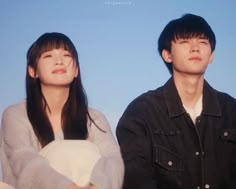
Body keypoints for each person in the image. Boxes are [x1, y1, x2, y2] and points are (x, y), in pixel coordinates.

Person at [116, 13, 236, 189]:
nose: (195, 48)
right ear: (167, 55)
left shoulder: (231, 111)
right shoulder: (142, 112)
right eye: (185, 42)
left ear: (211, 56)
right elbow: (136, 178)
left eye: (203, 42)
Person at [1, 32, 124, 189]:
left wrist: (98, 185)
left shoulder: (94, 118)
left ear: (76, 71)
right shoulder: (15, 114)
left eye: (66, 55)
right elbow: (23, 159)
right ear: (33, 71)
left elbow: (114, 158)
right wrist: (66, 186)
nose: (59, 61)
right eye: (48, 56)